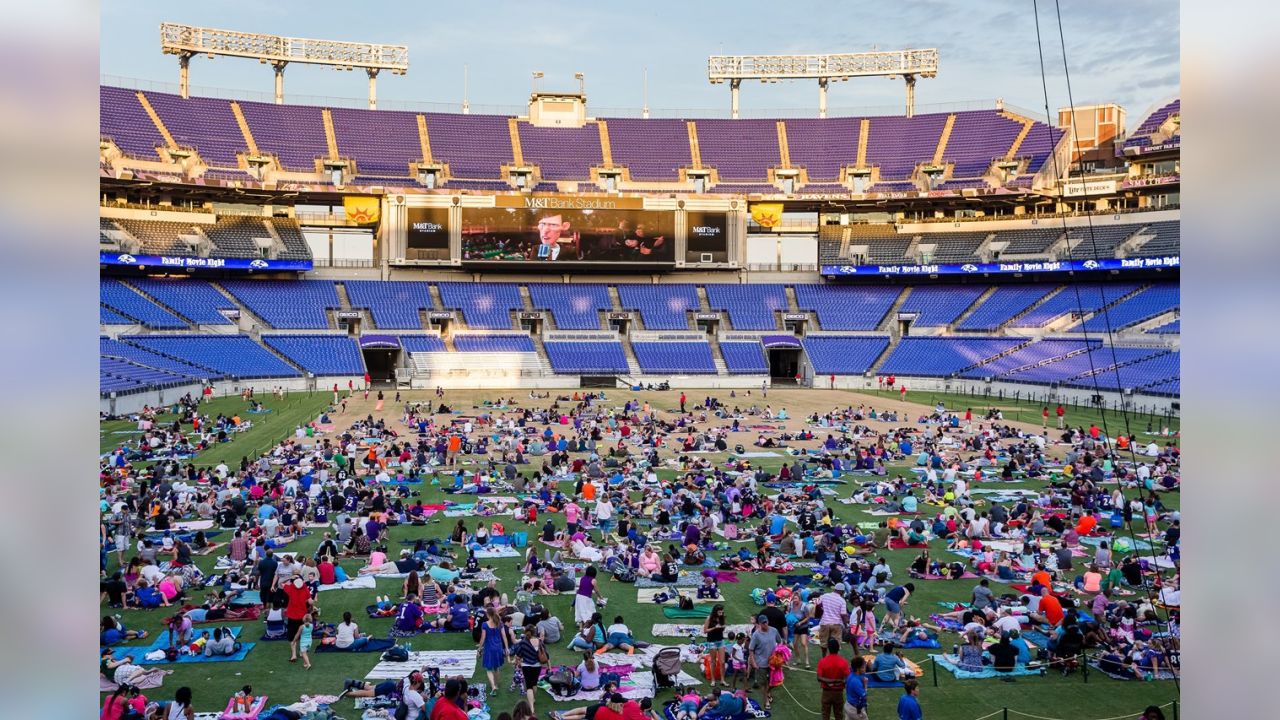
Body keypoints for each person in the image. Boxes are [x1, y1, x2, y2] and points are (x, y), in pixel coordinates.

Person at [748, 614, 782, 709]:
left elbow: (780, 641)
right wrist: (753, 662)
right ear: (759, 624)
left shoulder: (774, 630)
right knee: (763, 683)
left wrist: (779, 653)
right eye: (763, 623)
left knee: (775, 681)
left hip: (773, 662)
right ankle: (766, 700)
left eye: (766, 622)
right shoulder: (756, 635)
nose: (765, 624)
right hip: (761, 662)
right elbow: (751, 649)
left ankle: (768, 692)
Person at [815, 638, 850, 720]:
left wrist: (831, 681)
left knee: (825, 715)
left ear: (828, 649)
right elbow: (848, 678)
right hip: (838, 692)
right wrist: (838, 681)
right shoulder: (843, 662)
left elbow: (819, 678)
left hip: (826, 692)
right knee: (839, 714)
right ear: (838, 648)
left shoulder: (823, 661)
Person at [478, 608, 509, 695]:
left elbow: (483, 638)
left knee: (488, 669)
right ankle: (496, 684)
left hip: (489, 649)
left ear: (488, 614)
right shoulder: (500, 623)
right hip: (498, 648)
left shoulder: (485, 624)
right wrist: (506, 648)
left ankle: (493, 686)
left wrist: (479, 648)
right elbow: (504, 637)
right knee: (496, 668)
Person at [703, 604, 728, 687]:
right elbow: (705, 631)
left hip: (720, 640)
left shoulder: (722, 617)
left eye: (722, 611)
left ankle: (722, 680)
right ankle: (713, 680)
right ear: (716, 611)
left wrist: (723, 626)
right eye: (720, 611)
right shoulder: (709, 618)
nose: (721, 612)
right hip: (712, 641)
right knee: (713, 662)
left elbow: (723, 628)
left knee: (723, 662)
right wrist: (714, 627)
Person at [845, 655, 869, 720]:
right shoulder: (856, 682)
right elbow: (864, 696)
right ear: (858, 669)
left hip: (848, 705)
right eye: (863, 667)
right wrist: (865, 685)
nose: (865, 669)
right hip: (856, 710)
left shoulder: (850, 676)